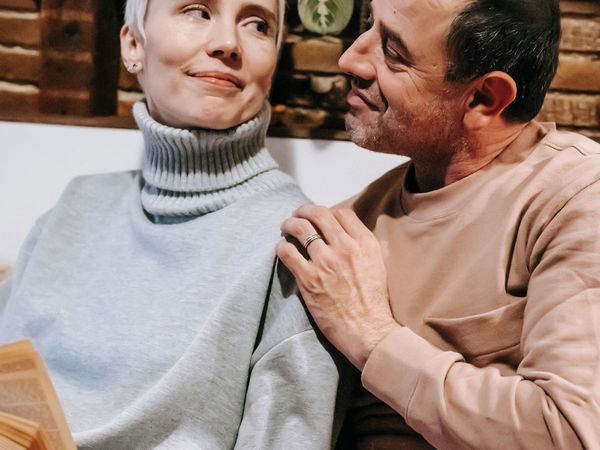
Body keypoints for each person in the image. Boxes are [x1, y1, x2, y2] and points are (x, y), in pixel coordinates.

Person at [0, 0, 347, 448]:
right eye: (198, 10)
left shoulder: (295, 244)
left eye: (258, 25)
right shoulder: (74, 205)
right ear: (133, 45)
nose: (228, 42)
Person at [277, 0, 600, 448]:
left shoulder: (575, 197)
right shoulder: (350, 226)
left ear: (485, 98)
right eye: (368, 24)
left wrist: (372, 337)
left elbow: (570, 431)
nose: (349, 59)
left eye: (394, 53)